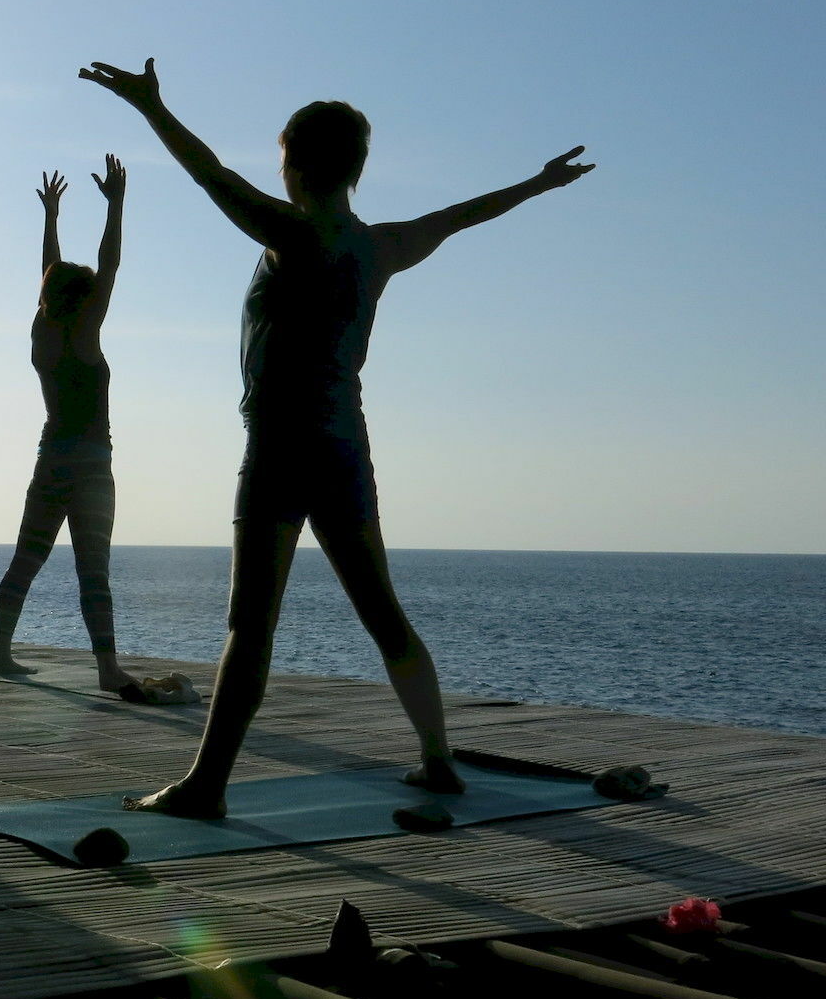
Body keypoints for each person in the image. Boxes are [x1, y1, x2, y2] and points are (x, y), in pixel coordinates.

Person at [81, 56, 593, 815]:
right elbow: (458, 215)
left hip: (282, 447)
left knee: (249, 623)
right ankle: (437, 759)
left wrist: (152, 108)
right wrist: (538, 184)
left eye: (284, 161)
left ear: (302, 166)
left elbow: (207, 172)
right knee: (383, 611)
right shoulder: (380, 247)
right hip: (346, 448)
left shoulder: (290, 232)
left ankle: (207, 786)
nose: (279, 175)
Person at [0, 155, 151, 699]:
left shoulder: (43, 331)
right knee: (93, 571)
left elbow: (49, 272)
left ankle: (0, 655)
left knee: (26, 558)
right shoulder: (85, 330)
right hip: (91, 464)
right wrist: (118, 206)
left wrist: (52, 218)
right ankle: (107, 668)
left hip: (50, 457)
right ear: (82, 300)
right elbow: (112, 264)